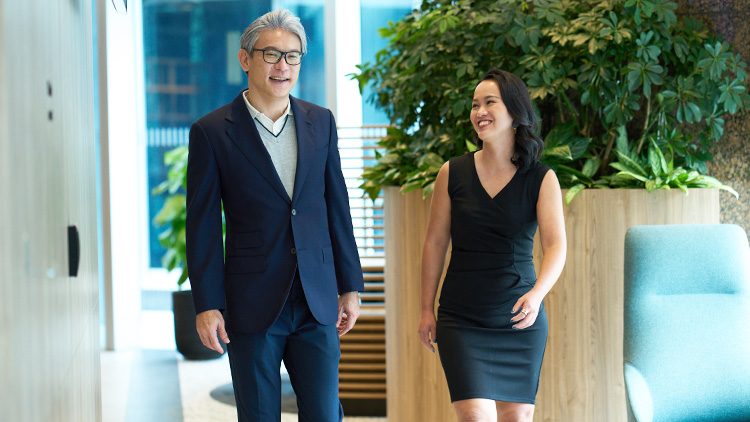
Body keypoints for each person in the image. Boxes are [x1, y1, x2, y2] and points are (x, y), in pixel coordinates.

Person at [185, 9, 364, 422]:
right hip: (252, 301)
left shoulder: (321, 122)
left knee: (324, 413)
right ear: (245, 59)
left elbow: (337, 207)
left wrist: (349, 285)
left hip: (317, 298)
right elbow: (204, 227)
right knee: (260, 414)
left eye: (293, 55)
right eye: (271, 54)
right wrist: (207, 304)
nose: (283, 65)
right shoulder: (212, 132)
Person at [417, 69, 567, 422]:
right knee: (474, 416)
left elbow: (557, 246)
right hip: (462, 317)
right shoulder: (451, 173)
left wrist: (537, 294)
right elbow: (435, 243)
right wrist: (426, 308)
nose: (479, 111)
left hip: (518, 317)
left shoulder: (541, 178)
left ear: (515, 112)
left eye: (489, 103)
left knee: (516, 419)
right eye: (474, 105)